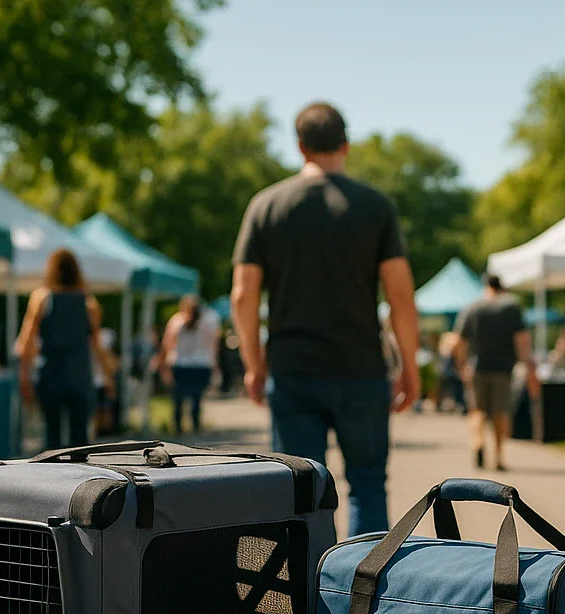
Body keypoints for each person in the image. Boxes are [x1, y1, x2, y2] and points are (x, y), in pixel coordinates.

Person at [231, 102, 420, 536]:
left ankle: (305, 595)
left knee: (298, 493)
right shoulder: (375, 207)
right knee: (368, 486)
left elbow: (243, 294)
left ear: (300, 147)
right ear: (346, 145)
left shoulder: (267, 206)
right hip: (362, 371)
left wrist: (254, 365)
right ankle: (363, 593)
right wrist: (409, 367)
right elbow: (400, 295)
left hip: (294, 371)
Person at [16, 249, 110, 450]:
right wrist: (109, 376)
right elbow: (98, 345)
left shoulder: (42, 298)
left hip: (51, 375)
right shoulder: (88, 303)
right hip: (79, 375)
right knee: (80, 440)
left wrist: (24, 376)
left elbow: (26, 343)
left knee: (52, 436)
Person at [452, 274, 539, 471]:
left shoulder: (473, 307)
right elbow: (522, 340)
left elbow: (458, 342)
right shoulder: (511, 307)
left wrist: (461, 365)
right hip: (503, 369)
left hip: (477, 367)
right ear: (502, 287)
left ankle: (478, 443)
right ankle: (498, 456)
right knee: (501, 412)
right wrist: (528, 364)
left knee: (477, 411)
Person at [153, 294, 219, 434]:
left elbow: (167, 343)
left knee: (178, 397)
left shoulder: (177, 320)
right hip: (201, 364)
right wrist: (214, 365)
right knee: (196, 397)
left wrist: (162, 363)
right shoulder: (208, 322)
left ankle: (178, 426)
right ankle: (195, 424)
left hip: (180, 363)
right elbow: (213, 345)